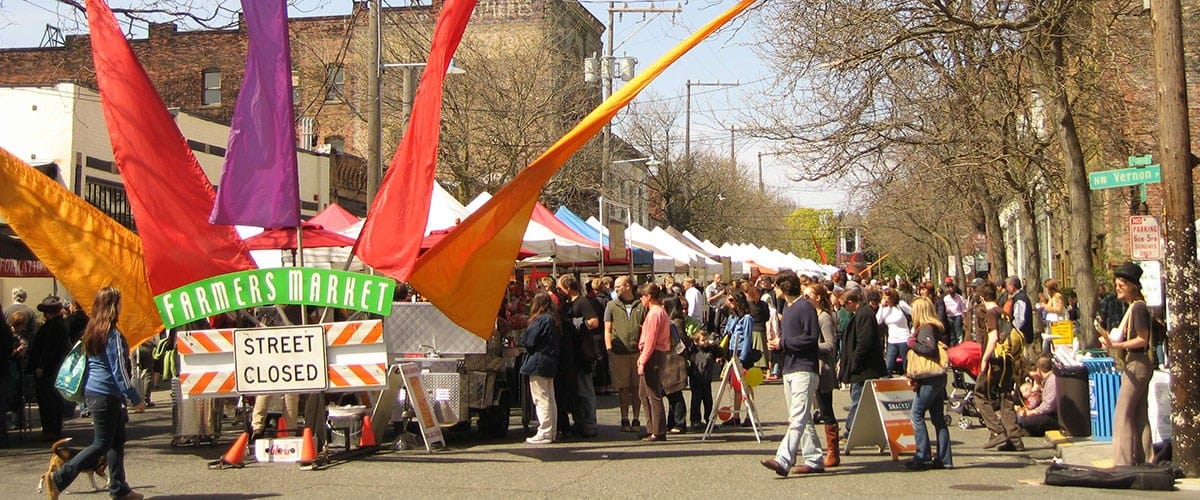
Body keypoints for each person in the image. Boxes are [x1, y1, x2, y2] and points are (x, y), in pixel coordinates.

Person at [46, 287, 144, 500]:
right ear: (112, 306)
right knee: (101, 443)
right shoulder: (113, 334)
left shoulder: (92, 329)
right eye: (119, 302)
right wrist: (135, 397)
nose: (122, 306)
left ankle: (119, 488)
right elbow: (119, 369)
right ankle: (59, 477)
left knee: (117, 440)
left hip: (95, 391)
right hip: (106, 393)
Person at [759, 270, 825, 476]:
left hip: (804, 368)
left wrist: (783, 342)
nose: (774, 289)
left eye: (777, 286)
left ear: (784, 287)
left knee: (797, 417)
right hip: (789, 366)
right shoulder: (787, 309)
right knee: (801, 417)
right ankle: (814, 458)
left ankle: (783, 459)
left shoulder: (805, 307)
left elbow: (811, 339)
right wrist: (778, 346)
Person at [1096, 262, 1154, 466]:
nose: (1117, 287)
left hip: (1137, 363)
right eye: (1116, 284)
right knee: (1139, 412)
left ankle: (1123, 461)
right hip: (1137, 363)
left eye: (1121, 284)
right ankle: (1145, 458)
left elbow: (1142, 339)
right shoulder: (1133, 307)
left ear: (1133, 286)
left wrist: (1116, 344)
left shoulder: (1137, 308)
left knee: (1122, 411)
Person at [975, 282, 1024, 452]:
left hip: (995, 360)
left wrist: (984, 360)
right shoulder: (1004, 312)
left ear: (981, 298)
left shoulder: (990, 313)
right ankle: (1015, 439)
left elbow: (993, 337)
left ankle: (997, 431)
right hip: (1008, 359)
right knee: (1006, 396)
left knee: (980, 394)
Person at [904, 297, 953, 470]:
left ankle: (922, 455)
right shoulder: (933, 327)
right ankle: (944, 458)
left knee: (916, 415)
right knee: (938, 418)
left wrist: (913, 344)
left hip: (929, 377)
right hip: (937, 376)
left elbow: (929, 349)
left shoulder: (925, 329)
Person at [556, 274, 600, 438]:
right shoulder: (568, 303)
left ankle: (589, 422)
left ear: (568, 287)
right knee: (576, 389)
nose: (559, 291)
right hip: (573, 353)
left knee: (585, 389)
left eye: (561, 288)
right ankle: (580, 421)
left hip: (583, 352)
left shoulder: (582, 302)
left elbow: (594, 321)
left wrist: (578, 322)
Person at [839, 288, 885, 436]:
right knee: (858, 399)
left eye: (843, 305)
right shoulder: (862, 313)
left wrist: (854, 362)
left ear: (851, 302)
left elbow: (864, 342)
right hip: (861, 366)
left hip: (864, 367)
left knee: (858, 401)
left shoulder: (864, 314)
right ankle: (855, 430)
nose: (843, 309)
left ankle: (850, 430)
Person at [604, 276, 645, 433]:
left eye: (618, 286)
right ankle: (624, 418)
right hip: (619, 352)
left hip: (637, 352)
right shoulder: (611, 306)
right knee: (622, 388)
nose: (616, 289)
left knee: (636, 388)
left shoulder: (640, 304)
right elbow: (607, 329)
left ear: (628, 286)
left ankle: (636, 418)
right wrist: (609, 349)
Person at [806, 283, 840, 467]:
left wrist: (809, 345)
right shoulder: (814, 316)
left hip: (824, 369)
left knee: (826, 410)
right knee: (821, 407)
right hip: (814, 367)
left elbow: (829, 345)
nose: (805, 299)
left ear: (817, 297)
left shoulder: (824, 317)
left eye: (808, 295)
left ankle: (833, 452)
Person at [520, 292, 561, 445]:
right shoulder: (554, 320)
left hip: (538, 361)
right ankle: (552, 431)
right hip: (550, 361)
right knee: (550, 398)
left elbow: (528, 340)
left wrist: (523, 338)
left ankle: (544, 432)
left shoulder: (541, 320)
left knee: (541, 398)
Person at [30, 296, 71, 441]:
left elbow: (48, 349)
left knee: (48, 400)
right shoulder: (60, 325)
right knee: (54, 399)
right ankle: (54, 429)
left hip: (49, 370)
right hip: (56, 368)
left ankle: (51, 430)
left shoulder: (53, 326)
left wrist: (41, 365)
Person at [637, 283, 671, 442]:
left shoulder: (654, 314)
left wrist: (642, 360)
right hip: (655, 352)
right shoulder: (658, 312)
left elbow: (650, 340)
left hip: (653, 354)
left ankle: (658, 430)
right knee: (643, 393)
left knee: (653, 393)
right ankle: (651, 428)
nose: (641, 299)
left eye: (642, 296)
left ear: (649, 296)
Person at [722, 290, 756, 426]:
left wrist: (743, 357)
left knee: (746, 385)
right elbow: (727, 333)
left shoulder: (747, 318)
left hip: (742, 352)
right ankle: (735, 415)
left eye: (732, 300)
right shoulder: (732, 317)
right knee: (735, 386)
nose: (729, 303)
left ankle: (749, 414)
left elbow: (747, 338)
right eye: (728, 300)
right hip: (732, 351)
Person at [663, 297, 692, 434]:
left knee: (675, 394)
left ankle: (679, 423)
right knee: (671, 394)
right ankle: (672, 422)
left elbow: (681, 342)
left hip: (674, 361)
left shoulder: (676, 322)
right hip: (670, 361)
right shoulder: (672, 321)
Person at [1017, 356, 1059, 437]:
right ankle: (1025, 430)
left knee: (1027, 420)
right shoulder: (1045, 380)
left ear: (1039, 369)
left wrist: (1031, 412)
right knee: (1019, 416)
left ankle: (1024, 429)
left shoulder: (1052, 380)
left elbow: (1048, 406)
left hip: (1053, 416)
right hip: (1047, 413)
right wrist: (1037, 381)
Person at [877, 288, 912, 376]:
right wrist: (881, 306)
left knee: (906, 365)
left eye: (888, 297)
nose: (886, 299)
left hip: (904, 338)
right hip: (892, 340)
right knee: (888, 366)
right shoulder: (884, 309)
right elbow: (878, 321)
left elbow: (913, 313)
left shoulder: (901, 305)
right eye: (884, 297)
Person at [1005, 276, 1035, 358]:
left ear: (1012, 286)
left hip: (1022, 338)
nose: (1006, 288)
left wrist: (1013, 333)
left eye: (1007, 286)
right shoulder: (1018, 298)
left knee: (1023, 362)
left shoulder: (1020, 299)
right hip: (1021, 337)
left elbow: (1020, 320)